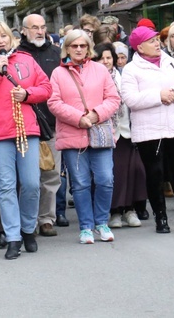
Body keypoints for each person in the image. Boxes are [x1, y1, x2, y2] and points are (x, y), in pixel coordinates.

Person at [0, 21, 52, 260]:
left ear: (11, 38)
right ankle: (13, 236)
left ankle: (28, 229)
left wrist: (28, 94)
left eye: (3, 36)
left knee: (31, 183)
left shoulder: (26, 59)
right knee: (5, 186)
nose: (0, 41)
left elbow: (46, 87)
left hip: (27, 129)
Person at [120, 26, 174, 234]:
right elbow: (130, 99)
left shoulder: (170, 62)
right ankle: (161, 217)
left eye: (157, 40)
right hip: (149, 131)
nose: (157, 44)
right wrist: (159, 96)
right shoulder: (131, 69)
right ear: (140, 47)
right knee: (155, 174)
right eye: (152, 41)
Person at [47, 31, 121, 244]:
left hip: (99, 133)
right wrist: (78, 118)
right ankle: (86, 227)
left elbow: (113, 98)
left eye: (82, 45)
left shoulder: (100, 70)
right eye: (74, 46)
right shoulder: (58, 74)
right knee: (79, 184)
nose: (78, 49)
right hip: (73, 134)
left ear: (89, 47)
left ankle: (101, 223)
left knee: (106, 179)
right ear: (67, 48)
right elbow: (54, 102)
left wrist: (96, 114)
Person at [17, 13, 62, 238]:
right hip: (24, 124)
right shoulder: (17, 55)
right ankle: (28, 220)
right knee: (27, 178)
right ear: (23, 30)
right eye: (34, 27)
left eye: (43, 27)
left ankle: (46, 219)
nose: (40, 31)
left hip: (51, 122)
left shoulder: (56, 54)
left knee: (51, 175)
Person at [94, 43, 146, 229]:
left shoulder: (124, 75)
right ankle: (115, 211)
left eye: (109, 57)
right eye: (102, 58)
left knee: (134, 171)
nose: (106, 61)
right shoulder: (94, 78)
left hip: (128, 130)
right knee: (115, 173)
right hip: (107, 131)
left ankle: (131, 209)